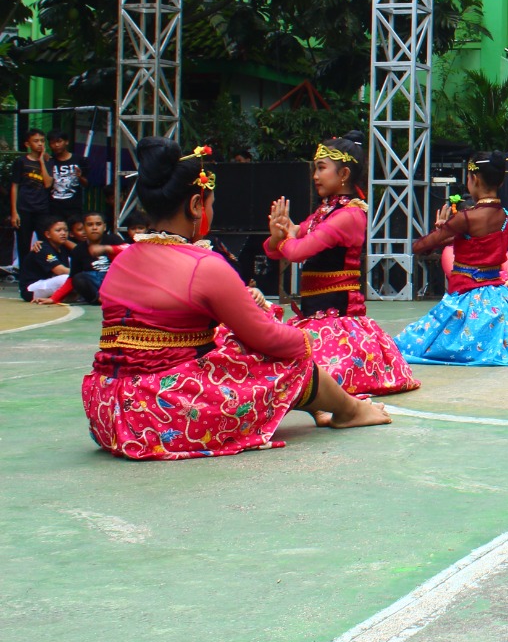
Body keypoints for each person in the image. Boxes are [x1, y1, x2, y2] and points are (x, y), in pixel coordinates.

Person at [81, 139, 388, 460]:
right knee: (288, 357)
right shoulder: (204, 265)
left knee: (229, 338)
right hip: (157, 417)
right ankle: (350, 410)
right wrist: (296, 332)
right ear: (197, 205)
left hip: (107, 410)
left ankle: (322, 406)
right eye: (211, 203)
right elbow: (276, 342)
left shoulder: (123, 259)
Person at [264, 133, 419, 396]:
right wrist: (279, 235)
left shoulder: (349, 215)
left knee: (312, 379)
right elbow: (276, 250)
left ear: (344, 173)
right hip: (313, 318)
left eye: (321, 168)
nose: (315, 175)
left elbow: (298, 251)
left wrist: (287, 238)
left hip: (337, 323)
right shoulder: (325, 212)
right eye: (315, 168)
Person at [395, 151, 508, 366]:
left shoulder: (467, 217)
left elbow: (420, 247)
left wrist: (441, 231)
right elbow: (478, 241)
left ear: (474, 179)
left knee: (419, 341)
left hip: (467, 294)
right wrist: (449, 232)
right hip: (498, 296)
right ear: (500, 180)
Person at [66, 211, 127, 305]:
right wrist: (54, 299)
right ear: (84, 228)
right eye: (90, 225)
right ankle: (99, 300)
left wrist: (107, 248)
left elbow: (129, 248)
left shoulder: (113, 239)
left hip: (115, 283)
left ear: (104, 227)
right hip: (96, 288)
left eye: (98, 224)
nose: (94, 228)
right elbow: (71, 278)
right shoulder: (78, 250)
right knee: (78, 278)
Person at [10, 129, 52, 261]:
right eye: (36, 141)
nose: (40, 144)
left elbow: (48, 184)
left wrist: (42, 162)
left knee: (46, 243)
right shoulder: (21, 162)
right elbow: (14, 186)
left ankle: (45, 272)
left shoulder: (48, 161)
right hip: (24, 208)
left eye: (42, 141)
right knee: (23, 244)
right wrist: (14, 212)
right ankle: (25, 276)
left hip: (42, 209)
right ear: (27, 144)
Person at [20, 215, 72, 302]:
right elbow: (60, 271)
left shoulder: (62, 248)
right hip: (31, 288)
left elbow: (80, 251)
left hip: (48, 282)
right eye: (58, 230)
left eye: (65, 230)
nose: (63, 233)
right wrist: (83, 273)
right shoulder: (42, 248)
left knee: (73, 278)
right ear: (48, 234)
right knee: (67, 278)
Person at [46, 130, 91, 222]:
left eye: (59, 141)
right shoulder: (49, 161)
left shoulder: (79, 160)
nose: (56, 145)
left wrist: (80, 176)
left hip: (74, 208)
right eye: (52, 143)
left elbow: (86, 184)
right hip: (54, 207)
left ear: (66, 142)